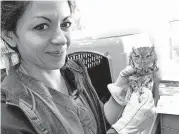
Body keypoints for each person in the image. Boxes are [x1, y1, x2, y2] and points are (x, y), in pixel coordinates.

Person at [1, 1, 155, 134]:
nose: (61, 39)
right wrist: (125, 130)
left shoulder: (75, 71)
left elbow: (97, 124)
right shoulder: (8, 115)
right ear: (10, 36)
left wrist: (119, 96)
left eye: (65, 24)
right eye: (41, 26)